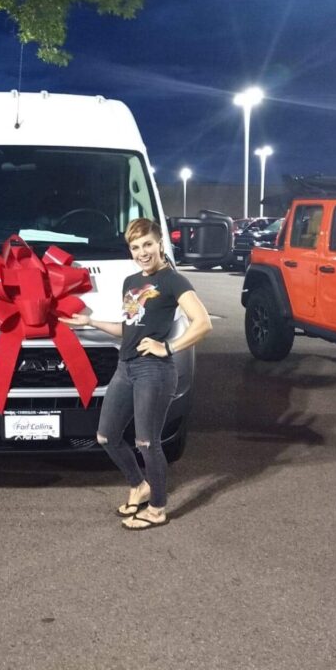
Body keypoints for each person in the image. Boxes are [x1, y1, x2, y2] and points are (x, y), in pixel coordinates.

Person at [61, 218, 212, 530]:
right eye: (135, 246)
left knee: (146, 442)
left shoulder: (173, 281)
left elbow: (203, 323)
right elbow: (129, 328)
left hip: (154, 372)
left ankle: (157, 508)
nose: (142, 252)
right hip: (125, 367)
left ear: (159, 244)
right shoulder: (131, 281)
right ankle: (139, 485)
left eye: (147, 244)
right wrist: (90, 323)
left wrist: (168, 348)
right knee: (106, 436)